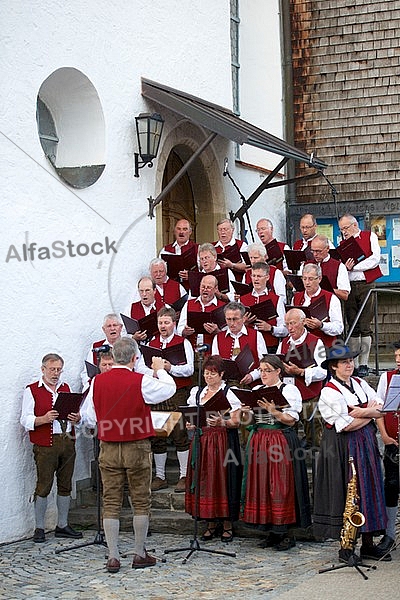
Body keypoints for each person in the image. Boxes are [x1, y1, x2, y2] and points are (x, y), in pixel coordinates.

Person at [80, 337, 176, 572]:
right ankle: (140, 552)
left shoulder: (98, 382)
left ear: (112, 358)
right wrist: (160, 369)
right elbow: (169, 389)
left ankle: (113, 556)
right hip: (136, 446)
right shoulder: (140, 380)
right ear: (135, 358)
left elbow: (89, 417)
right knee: (141, 500)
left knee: (111, 500)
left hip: (109, 446)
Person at [313, 343, 391, 563]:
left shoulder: (360, 382)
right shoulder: (329, 392)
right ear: (334, 367)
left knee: (370, 489)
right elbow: (345, 425)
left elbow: (382, 407)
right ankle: (346, 548)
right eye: (344, 362)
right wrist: (371, 414)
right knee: (349, 493)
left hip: (365, 443)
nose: (350, 365)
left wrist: (363, 412)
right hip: (343, 447)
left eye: (351, 361)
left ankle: (368, 545)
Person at [240, 355, 311, 550]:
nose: (263, 374)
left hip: (280, 440)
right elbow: (248, 422)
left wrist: (274, 411)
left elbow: (292, 420)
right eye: (261, 370)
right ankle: (271, 531)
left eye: (267, 370)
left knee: (281, 484)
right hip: (259, 440)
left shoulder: (289, 390)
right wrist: (246, 411)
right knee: (263, 484)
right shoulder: (256, 390)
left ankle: (286, 532)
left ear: (278, 371)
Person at [20, 353, 83, 543]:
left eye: (58, 369)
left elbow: (76, 414)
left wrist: (77, 418)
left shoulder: (65, 388)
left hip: (67, 441)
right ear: (43, 370)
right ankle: (39, 527)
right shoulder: (32, 390)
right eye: (52, 369)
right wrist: (44, 419)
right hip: (45, 444)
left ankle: (62, 525)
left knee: (65, 483)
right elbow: (25, 419)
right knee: (44, 484)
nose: (55, 373)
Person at [185, 355, 242, 542]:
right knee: (205, 480)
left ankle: (227, 524)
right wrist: (191, 424)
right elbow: (192, 416)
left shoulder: (229, 392)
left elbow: (237, 421)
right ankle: (210, 522)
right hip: (202, 440)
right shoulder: (197, 392)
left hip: (223, 440)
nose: (208, 376)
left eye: (213, 373)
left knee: (223, 479)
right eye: (206, 373)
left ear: (222, 374)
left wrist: (221, 421)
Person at [145, 307, 194, 492]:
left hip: (177, 392)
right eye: (160, 323)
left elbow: (189, 369)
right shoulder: (152, 342)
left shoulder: (183, 343)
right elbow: (143, 367)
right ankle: (160, 476)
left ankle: (183, 475)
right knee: (158, 436)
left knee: (179, 434)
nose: (163, 326)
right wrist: (155, 372)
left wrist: (169, 367)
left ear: (174, 323)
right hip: (158, 393)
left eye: (166, 322)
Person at [338, 213, 382, 377]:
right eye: (342, 229)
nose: (344, 232)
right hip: (349, 285)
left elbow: (375, 259)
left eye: (345, 228)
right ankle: (354, 363)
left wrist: (354, 267)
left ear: (354, 225)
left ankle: (364, 363)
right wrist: (345, 268)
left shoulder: (369, 236)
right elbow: (342, 266)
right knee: (353, 324)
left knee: (365, 324)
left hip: (366, 283)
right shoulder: (343, 243)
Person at [277, 308, 326, 448]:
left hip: (309, 393)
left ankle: (317, 459)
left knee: (314, 430)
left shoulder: (317, 342)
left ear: (303, 322)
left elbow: (323, 371)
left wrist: (302, 372)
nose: (290, 328)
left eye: (293, 323)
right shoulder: (283, 343)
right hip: (288, 394)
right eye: (287, 324)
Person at [375, 341, 400, 554]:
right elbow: (380, 409)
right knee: (391, 486)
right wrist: (383, 435)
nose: (398, 360)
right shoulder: (387, 377)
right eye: (396, 356)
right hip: (393, 442)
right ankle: (389, 534)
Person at [211, 301, 268, 386]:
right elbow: (215, 364)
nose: (231, 323)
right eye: (228, 319)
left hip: (252, 384)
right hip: (226, 384)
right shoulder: (218, 337)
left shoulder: (256, 335)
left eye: (235, 319)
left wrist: (253, 376)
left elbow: (265, 363)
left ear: (243, 318)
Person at [292, 263, 344, 348]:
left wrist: (321, 325)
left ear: (319, 279)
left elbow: (339, 328)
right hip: (302, 347)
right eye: (304, 279)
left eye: (311, 279)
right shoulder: (296, 298)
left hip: (324, 347)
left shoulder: (331, 298)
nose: (307, 282)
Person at [241, 262, 287, 353]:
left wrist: (271, 328)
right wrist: (244, 323)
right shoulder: (243, 299)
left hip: (270, 346)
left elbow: (285, 329)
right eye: (253, 276)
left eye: (259, 276)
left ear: (267, 277)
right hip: (248, 346)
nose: (256, 279)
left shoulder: (277, 300)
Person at [177, 274, 225, 351]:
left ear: (216, 289)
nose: (205, 290)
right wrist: (184, 331)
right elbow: (179, 328)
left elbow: (227, 333)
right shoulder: (189, 304)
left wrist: (217, 332)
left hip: (212, 352)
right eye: (203, 287)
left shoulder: (222, 307)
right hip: (192, 350)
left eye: (209, 287)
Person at [81, 313, 122, 389]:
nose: (112, 328)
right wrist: (91, 387)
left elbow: (138, 368)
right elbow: (86, 373)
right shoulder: (96, 346)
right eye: (109, 326)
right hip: (101, 387)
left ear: (121, 327)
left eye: (115, 325)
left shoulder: (129, 345)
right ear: (104, 329)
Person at [309, 234, 350, 301]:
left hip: (331, 305)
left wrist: (325, 289)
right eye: (313, 251)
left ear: (327, 248)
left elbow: (345, 295)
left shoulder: (339, 266)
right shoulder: (307, 265)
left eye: (318, 251)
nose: (315, 254)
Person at [125, 276, 164, 343]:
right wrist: (133, 337)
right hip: (138, 349)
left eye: (147, 290)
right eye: (141, 291)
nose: (144, 294)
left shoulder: (164, 307)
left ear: (154, 291)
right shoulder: (130, 308)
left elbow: (172, 331)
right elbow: (123, 332)